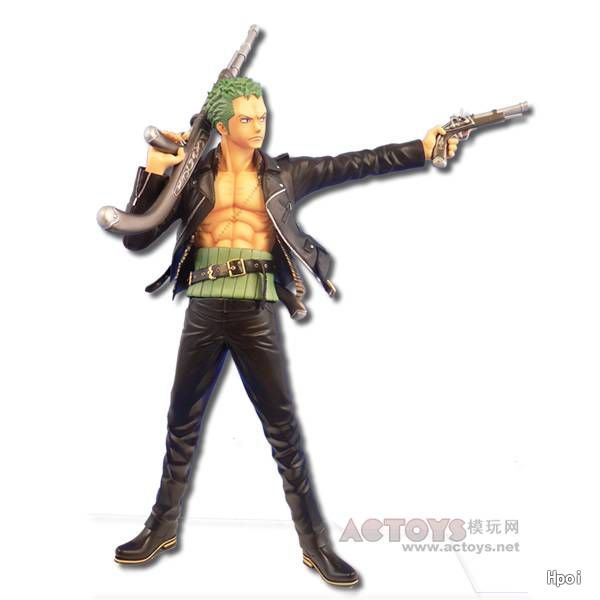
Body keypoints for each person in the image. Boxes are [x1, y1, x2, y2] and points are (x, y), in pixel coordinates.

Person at [113, 77, 459, 587]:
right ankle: (161, 526)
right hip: (204, 307)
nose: (259, 126)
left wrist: (420, 149)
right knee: (181, 423)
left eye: (262, 116)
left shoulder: (283, 175)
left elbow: (355, 163)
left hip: (256, 309)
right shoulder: (193, 176)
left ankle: (315, 543)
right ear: (223, 125)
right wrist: (157, 167)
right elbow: (137, 237)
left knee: (283, 432)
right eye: (247, 118)